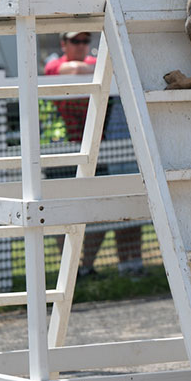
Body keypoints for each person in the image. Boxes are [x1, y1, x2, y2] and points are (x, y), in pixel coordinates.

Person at [44, 31, 144, 277]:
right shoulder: (55, 65)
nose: (80, 46)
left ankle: (85, 267)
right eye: (74, 41)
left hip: (96, 150)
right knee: (63, 214)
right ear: (63, 44)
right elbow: (72, 70)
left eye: (85, 41)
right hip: (62, 150)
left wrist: (99, 68)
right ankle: (69, 268)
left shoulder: (93, 65)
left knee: (97, 214)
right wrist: (100, 69)